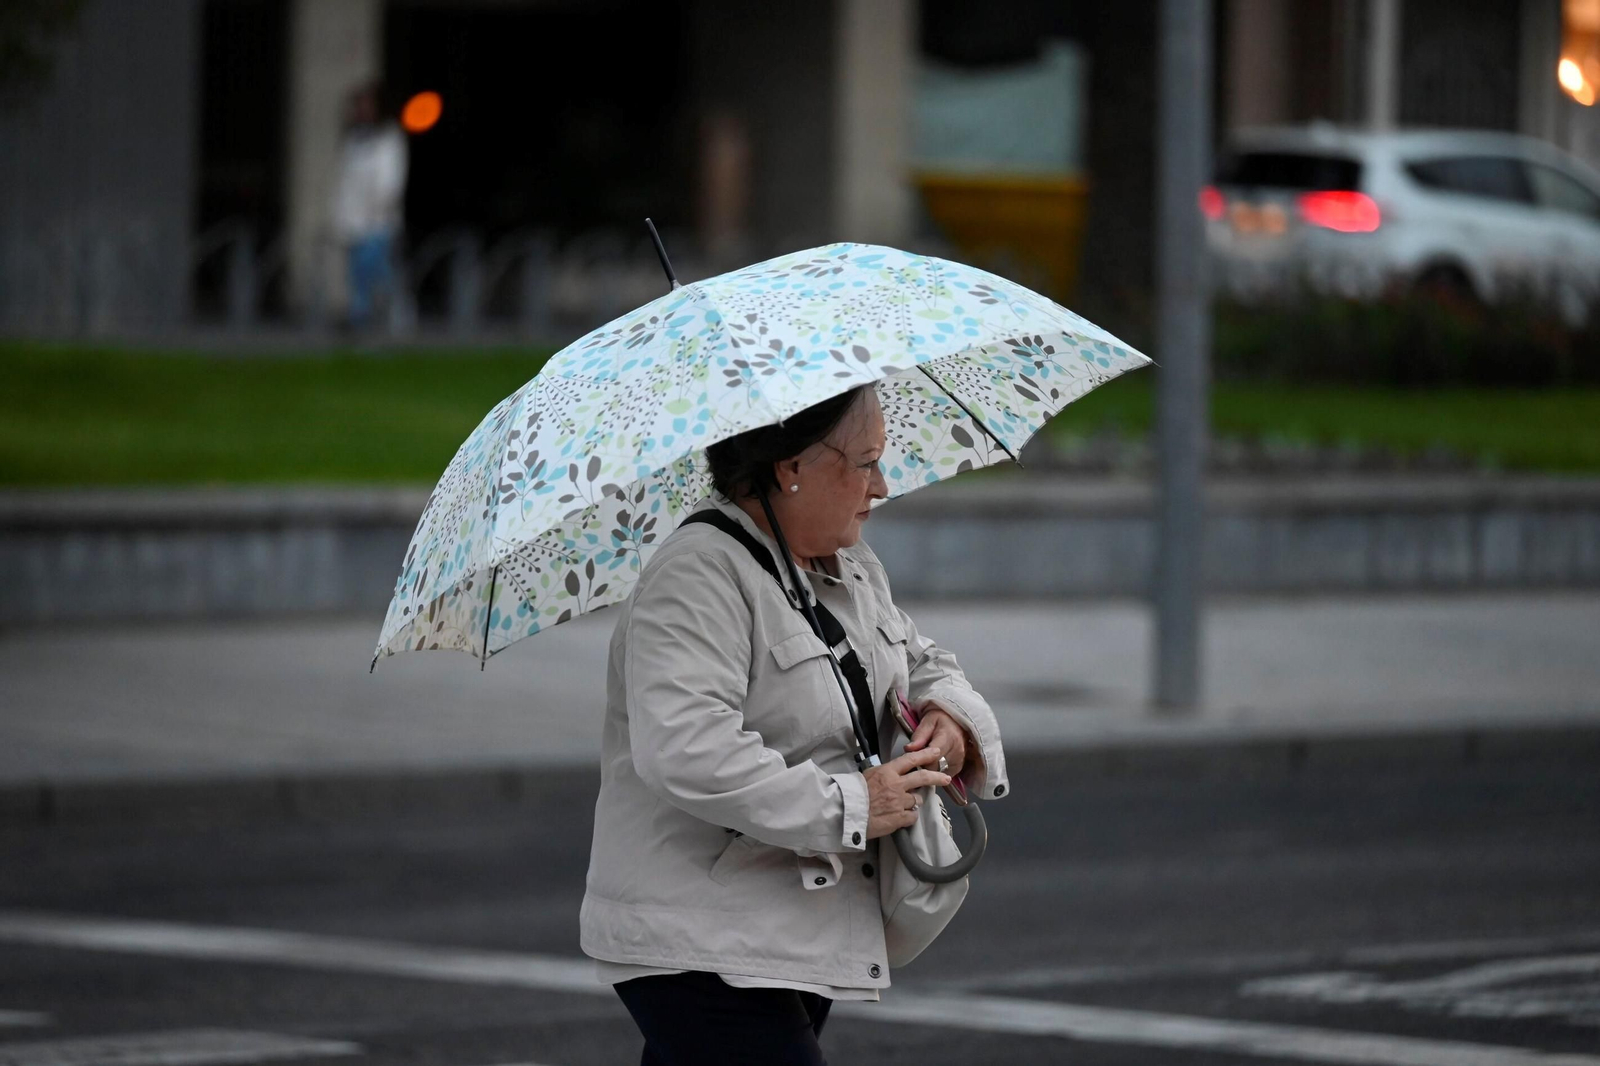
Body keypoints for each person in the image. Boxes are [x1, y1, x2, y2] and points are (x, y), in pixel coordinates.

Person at [581, 384, 1009, 1064]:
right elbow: (687, 750)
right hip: (703, 937)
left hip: (790, 926)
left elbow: (921, 661)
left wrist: (953, 719)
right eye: (865, 461)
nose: (882, 483)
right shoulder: (696, 574)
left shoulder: (848, 562)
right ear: (790, 467)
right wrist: (854, 803)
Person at [331, 80, 406, 331]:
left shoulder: (388, 139)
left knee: (373, 273)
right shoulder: (355, 140)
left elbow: (389, 183)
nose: (362, 110)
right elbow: (346, 185)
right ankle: (369, 319)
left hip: (377, 223)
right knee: (364, 275)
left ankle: (376, 317)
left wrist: (375, 212)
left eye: (367, 105)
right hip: (355, 224)